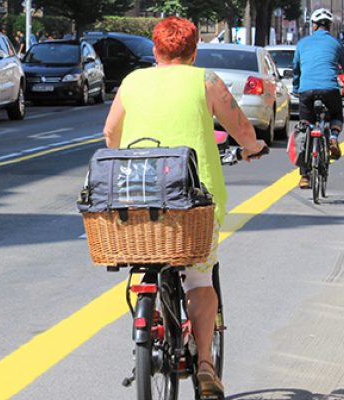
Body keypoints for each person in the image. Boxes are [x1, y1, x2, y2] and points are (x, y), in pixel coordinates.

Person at [103, 17, 267, 396]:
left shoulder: (131, 82)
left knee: (148, 259)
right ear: (194, 51)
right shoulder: (205, 80)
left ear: (156, 51)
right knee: (198, 279)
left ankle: (152, 320)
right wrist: (253, 146)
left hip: (138, 197)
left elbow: (110, 134)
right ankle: (206, 364)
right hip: (194, 200)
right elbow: (241, 129)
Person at [292, 8, 344, 189]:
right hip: (330, 89)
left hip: (307, 90)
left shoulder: (303, 43)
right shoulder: (336, 44)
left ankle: (304, 176)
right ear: (329, 26)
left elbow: (296, 67)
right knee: (336, 115)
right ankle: (334, 137)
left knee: (305, 127)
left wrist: (297, 88)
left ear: (313, 25)